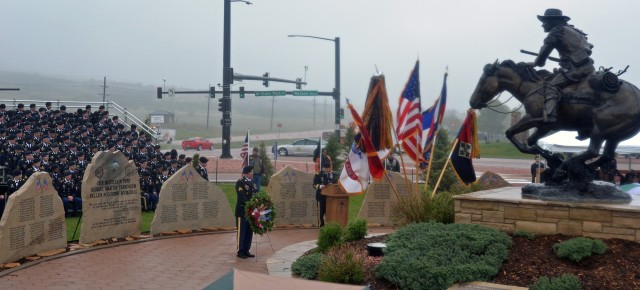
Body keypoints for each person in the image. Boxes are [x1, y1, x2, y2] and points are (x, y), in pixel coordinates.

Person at [527, 8, 595, 128]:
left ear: (553, 21)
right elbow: (587, 48)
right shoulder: (575, 31)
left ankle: (550, 116)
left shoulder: (556, 31)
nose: (543, 25)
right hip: (587, 68)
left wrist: (535, 63)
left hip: (574, 70)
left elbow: (544, 53)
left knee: (550, 88)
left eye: (545, 21)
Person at [235, 166, 257, 259]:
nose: (252, 173)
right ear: (246, 173)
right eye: (251, 171)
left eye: (252, 171)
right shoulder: (240, 182)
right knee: (242, 231)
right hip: (242, 211)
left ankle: (247, 249)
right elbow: (242, 196)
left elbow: (256, 193)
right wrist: (250, 204)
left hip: (251, 211)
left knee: (249, 231)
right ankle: (240, 251)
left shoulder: (253, 181)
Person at [313, 162, 334, 227]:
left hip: (327, 196)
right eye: (328, 169)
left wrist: (331, 180)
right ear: (324, 168)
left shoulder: (328, 174)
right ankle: (321, 224)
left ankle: (327, 223)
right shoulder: (318, 174)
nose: (329, 170)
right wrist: (319, 186)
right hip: (320, 196)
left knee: (327, 210)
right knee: (321, 211)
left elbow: (329, 183)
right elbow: (314, 185)